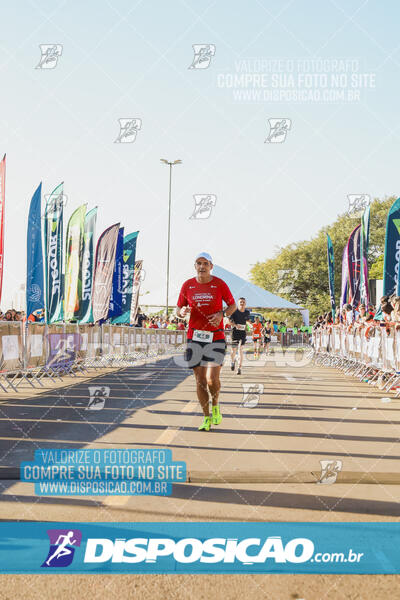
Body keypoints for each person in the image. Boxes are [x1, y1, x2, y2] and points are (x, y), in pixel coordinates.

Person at [176, 252, 236, 431]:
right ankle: (206, 418)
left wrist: (222, 314)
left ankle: (216, 405)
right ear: (195, 266)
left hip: (215, 336)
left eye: (205, 263)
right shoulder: (187, 285)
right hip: (194, 337)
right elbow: (178, 308)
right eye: (198, 263)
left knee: (211, 379)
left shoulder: (219, 284)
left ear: (211, 266)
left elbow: (232, 305)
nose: (202, 266)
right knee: (200, 381)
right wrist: (181, 312)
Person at [229, 297, 251, 375]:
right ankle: (232, 361)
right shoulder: (234, 311)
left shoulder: (247, 312)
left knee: (241, 350)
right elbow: (230, 321)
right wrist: (235, 325)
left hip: (242, 333)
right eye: (241, 302)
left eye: (243, 302)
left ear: (245, 303)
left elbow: (247, 321)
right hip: (235, 333)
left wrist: (250, 325)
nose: (242, 303)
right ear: (238, 303)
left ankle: (239, 368)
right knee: (233, 350)